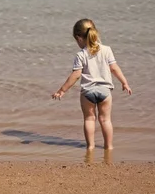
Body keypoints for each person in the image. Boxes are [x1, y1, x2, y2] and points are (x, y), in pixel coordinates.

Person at [51, 19, 132, 150]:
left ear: (79, 38)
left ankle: (90, 147)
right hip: (105, 91)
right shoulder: (107, 50)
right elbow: (114, 68)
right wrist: (125, 83)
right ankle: (109, 147)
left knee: (89, 119)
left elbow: (76, 75)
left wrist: (62, 90)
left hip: (88, 92)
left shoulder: (81, 54)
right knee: (105, 120)